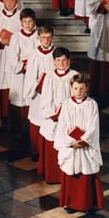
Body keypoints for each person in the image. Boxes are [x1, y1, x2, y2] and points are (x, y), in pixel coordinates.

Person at [54, 74, 104, 213]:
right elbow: (62, 125)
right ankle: (71, 204)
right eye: (75, 88)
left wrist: (83, 140)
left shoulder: (92, 104)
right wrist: (71, 142)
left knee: (85, 175)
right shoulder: (66, 104)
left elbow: (94, 126)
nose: (78, 91)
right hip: (71, 146)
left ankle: (86, 204)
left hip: (85, 145)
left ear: (86, 88)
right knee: (71, 174)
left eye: (81, 88)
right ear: (71, 88)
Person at [38, 48, 79, 183]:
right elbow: (45, 99)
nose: (61, 63)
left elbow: (78, 98)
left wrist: (66, 114)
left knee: (66, 145)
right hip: (52, 118)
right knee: (52, 144)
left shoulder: (75, 76)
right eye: (58, 60)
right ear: (54, 62)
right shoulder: (49, 76)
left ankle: (66, 176)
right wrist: (54, 115)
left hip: (69, 118)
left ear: (69, 60)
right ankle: (52, 176)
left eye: (64, 60)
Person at [6, 8, 38, 137]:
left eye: (30, 21)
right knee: (20, 100)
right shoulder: (16, 36)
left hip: (34, 71)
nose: (28, 24)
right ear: (21, 22)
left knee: (32, 99)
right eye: (25, 22)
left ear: (34, 22)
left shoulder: (38, 35)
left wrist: (34, 65)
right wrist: (23, 66)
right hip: (22, 73)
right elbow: (12, 56)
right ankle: (19, 130)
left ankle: (31, 130)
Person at [25, 25, 55, 158]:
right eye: (43, 37)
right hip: (38, 93)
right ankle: (36, 151)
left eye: (48, 37)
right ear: (38, 38)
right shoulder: (34, 54)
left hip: (52, 94)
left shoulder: (57, 53)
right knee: (37, 121)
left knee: (49, 122)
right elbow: (30, 75)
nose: (46, 40)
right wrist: (38, 84)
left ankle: (47, 153)